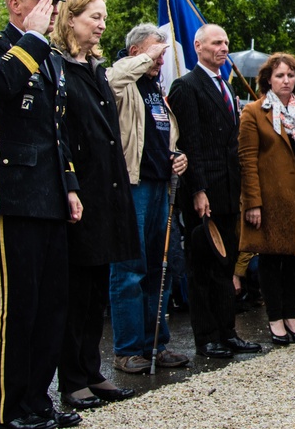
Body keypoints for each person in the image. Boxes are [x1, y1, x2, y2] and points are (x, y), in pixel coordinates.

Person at [0, 0, 83, 429]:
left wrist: (70, 184)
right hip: (14, 197)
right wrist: (35, 40)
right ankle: (7, 411)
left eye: (56, 3)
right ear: (15, 3)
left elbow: (55, 129)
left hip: (50, 197)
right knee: (17, 310)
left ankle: (38, 402)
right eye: (47, 3)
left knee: (50, 308)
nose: (54, 11)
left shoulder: (51, 58)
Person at [52, 0, 139, 409]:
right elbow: (60, 134)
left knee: (96, 292)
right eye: (94, 17)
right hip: (79, 191)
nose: (102, 24)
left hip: (107, 190)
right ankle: (72, 378)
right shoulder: (58, 66)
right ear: (70, 18)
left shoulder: (94, 67)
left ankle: (91, 370)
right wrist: (70, 186)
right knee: (76, 292)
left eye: (104, 17)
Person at [167, 24, 262, 358]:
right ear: (198, 46)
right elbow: (189, 142)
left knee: (225, 265)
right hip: (203, 192)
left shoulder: (226, 87)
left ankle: (227, 331)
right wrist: (198, 190)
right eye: (217, 42)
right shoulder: (186, 86)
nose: (224, 48)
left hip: (229, 191)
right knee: (203, 266)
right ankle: (207, 337)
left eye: (226, 42)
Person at [107, 24, 190, 373]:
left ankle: (156, 343)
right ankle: (127, 349)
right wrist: (148, 56)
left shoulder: (157, 89)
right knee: (130, 268)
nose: (162, 58)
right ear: (135, 51)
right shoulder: (124, 83)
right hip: (133, 185)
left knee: (161, 268)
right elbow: (112, 78)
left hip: (161, 184)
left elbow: (162, 136)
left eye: (163, 52)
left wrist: (178, 155)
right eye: (156, 51)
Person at [238, 54, 295, 344]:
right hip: (270, 198)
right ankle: (275, 319)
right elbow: (247, 160)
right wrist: (253, 202)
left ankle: (292, 317)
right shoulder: (254, 112)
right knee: (270, 258)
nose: (286, 80)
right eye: (279, 76)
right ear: (268, 80)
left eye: (290, 75)